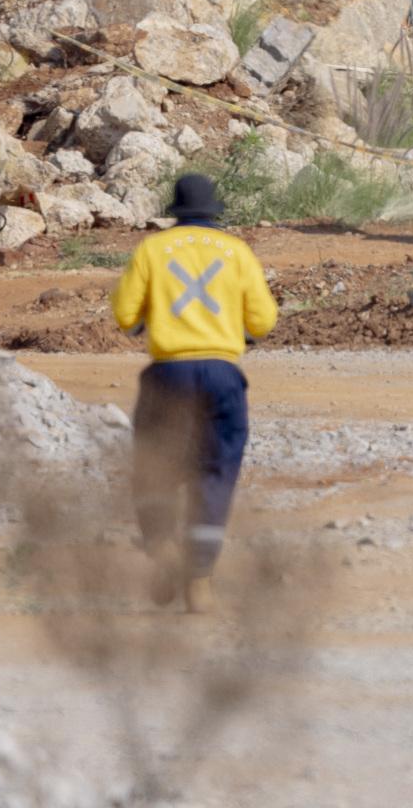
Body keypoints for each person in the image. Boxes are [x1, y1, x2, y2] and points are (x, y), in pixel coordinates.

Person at [110, 171, 278, 613]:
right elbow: (262, 322)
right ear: (215, 211)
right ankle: (199, 578)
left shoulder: (152, 249)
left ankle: (162, 548)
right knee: (216, 471)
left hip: (168, 374)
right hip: (223, 375)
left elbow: (126, 316)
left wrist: (150, 321)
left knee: (154, 464)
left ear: (175, 212)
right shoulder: (238, 252)